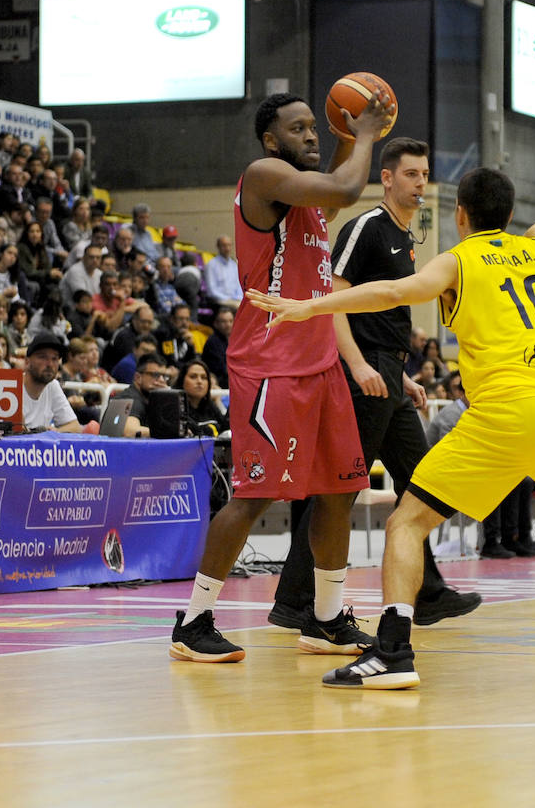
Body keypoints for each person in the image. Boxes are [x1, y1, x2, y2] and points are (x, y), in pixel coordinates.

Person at [249, 64, 535, 690]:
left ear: (459, 215)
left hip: (506, 411)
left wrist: (309, 305)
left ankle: (394, 653)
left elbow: (392, 290)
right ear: (510, 212)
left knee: (407, 522)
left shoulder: (458, 261)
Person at [168, 87, 394, 665]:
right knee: (255, 493)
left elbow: (336, 190)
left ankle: (324, 620)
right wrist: (364, 136)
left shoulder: (308, 206)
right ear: (271, 141)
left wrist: (347, 130)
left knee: (341, 489)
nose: (310, 136)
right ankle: (192, 622)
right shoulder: (264, 175)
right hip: (270, 362)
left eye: (314, 128)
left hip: (319, 363)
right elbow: (348, 186)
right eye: (298, 130)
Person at [267, 137, 480, 631]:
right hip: (362, 375)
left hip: (388, 374)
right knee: (338, 492)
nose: (420, 182)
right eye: (411, 174)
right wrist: (361, 366)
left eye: (425, 174)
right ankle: (295, 599)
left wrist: (400, 374)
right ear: (387, 178)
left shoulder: (406, 238)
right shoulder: (365, 226)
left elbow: (379, 314)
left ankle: (425, 593)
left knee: (423, 479)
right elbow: (333, 302)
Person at [21, 331, 82, 432]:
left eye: (54, 358)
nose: (50, 364)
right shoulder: (11, 386)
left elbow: (75, 426)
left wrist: (55, 432)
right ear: (27, 361)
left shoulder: (52, 385)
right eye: (43, 357)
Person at [115, 351, 170, 438]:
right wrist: (170, 431)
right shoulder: (130, 398)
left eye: (164, 376)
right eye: (155, 375)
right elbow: (130, 432)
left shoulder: (152, 400)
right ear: (138, 377)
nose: (162, 380)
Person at [176, 358, 229, 436]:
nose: (199, 381)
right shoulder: (176, 409)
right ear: (182, 381)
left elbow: (225, 429)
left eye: (204, 377)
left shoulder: (210, 406)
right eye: (193, 377)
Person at [203, 235, 243, 309]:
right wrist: (228, 300)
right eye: (224, 245)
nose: (227, 248)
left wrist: (239, 298)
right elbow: (212, 290)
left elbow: (238, 286)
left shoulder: (234, 265)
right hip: (218, 301)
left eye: (229, 245)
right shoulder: (211, 265)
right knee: (238, 309)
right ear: (218, 247)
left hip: (234, 300)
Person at [201, 305, 233, 389]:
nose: (228, 325)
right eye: (224, 321)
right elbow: (222, 370)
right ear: (216, 324)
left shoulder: (233, 340)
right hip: (217, 382)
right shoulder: (212, 342)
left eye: (230, 321)